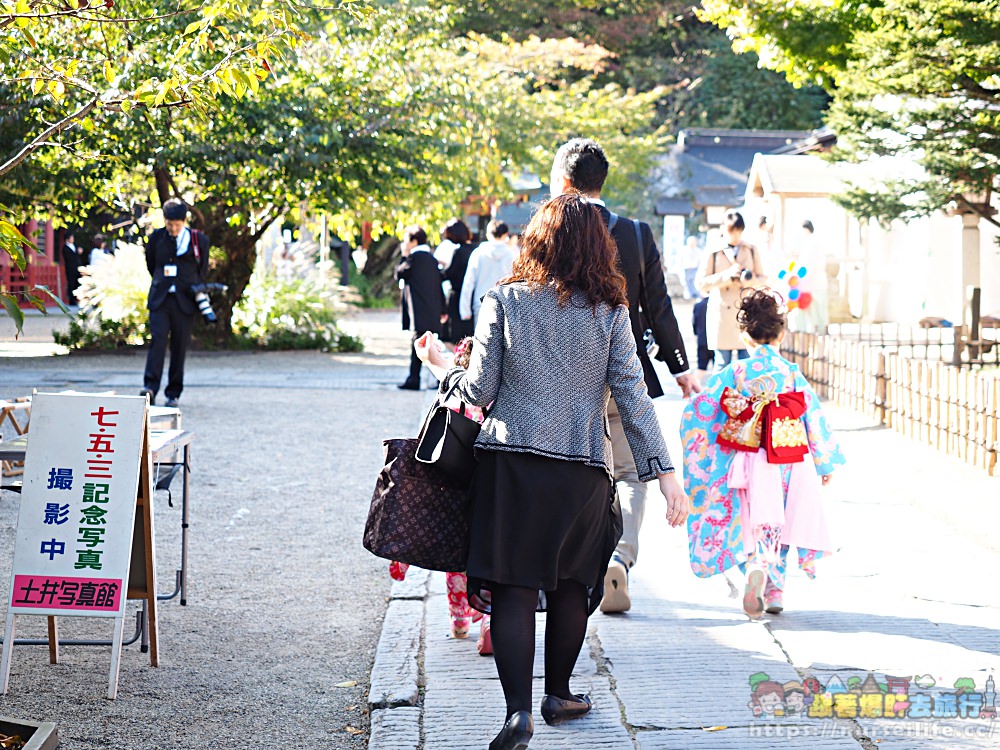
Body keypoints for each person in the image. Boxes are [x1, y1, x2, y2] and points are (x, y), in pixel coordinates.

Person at [415, 194, 689, 750]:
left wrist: (443, 366)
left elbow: (478, 392)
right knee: (570, 585)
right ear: (598, 248)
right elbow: (634, 399)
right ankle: (559, 692)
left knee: (515, 590)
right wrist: (666, 476)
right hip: (583, 472)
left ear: (534, 241)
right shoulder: (610, 313)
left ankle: (518, 714)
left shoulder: (505, 301)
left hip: (511, 466)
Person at [549, 137, 699, 614]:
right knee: (631, 473)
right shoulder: (635, 233)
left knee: (565, 466)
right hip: (626, 370)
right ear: (602, 181)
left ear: (566, 181)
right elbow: (658, 305)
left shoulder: (551, 229)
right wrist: (680, 368)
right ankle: (619, 556)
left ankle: (566, 564)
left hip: (565, 373)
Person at [679, 288, 844, 618]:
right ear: (782, 332)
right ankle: (775, 589)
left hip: (746, 461)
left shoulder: (734, 373)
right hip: (787, 462)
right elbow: (812, 416)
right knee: (780, 523)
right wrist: (824, 460)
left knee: (749, 520)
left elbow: (704, 411)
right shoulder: (791, 374)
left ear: (744, 335)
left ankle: (754, 566)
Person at [389, 336, 493, 655]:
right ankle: (489, 620)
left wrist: (434, 360)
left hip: (452, 489)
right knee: (489, 558)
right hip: (488, 488)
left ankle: (460, 619)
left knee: (455, 562)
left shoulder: (451, 398)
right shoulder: (495, 402)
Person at [140, 199, 210, 408]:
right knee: (158, 342)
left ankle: (173, 393)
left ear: (184, 221)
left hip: (185, 301)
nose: (173, 228)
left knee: (180, 347)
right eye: (170, 224)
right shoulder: (156, 238)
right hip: (160, 299)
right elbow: (152, 265)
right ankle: (150, 387)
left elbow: (202, 270)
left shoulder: (199, 241)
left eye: (177, 225)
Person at [695, 211, 767, 369]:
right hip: (722, 314)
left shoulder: (751, 249)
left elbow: (763, 280)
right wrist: (726, 276)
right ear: (723, 229)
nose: (735, 235)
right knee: (722, 364)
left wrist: (749, 279)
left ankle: (744, 395)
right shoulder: (713, 251)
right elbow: (701, 283)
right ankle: (720, 395)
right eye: (731, 231)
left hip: (746, 314)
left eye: (738, 231)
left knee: (747, 366)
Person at [394, 225, 445, 390]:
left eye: (406, 240)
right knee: (431, 344)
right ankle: (439, 379)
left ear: (414, 241)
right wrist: (443, 309)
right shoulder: (431, 259)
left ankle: (414, 379)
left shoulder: (413, 259)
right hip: (432, 308)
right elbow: (439, 285)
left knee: (418, 343)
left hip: (418, 310)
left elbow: (399, 274)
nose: (404, 243)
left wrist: (403, 255)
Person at [459, 220, 517, 328]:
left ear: (488, 234)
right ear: (505, 235)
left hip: (481, 302)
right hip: (506, 304)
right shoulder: (512, 254)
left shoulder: (478, 253)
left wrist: (464, 309)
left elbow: (469, 281)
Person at [786, 220, 829, 334]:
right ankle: (821, 331)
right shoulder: (815, 242)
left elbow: (808, 265)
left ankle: (817, 332)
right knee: (819, 311)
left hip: (811, 284)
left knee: (814, 312)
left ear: (805, 229)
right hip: (817, 283)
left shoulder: (810, 243)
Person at [439, 219, 476, 343]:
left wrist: (437, 267)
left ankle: (458, 361)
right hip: (473, 296)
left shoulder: (459, 252)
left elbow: (448, 274)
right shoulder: (475, 249)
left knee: (454, 337)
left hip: (457, 298)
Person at [692, 295, 713, 374]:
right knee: (718, 368)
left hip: (702, 340)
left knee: (701, 368)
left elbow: (694, 323)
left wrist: (696, 333)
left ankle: (694, 386)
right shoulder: (717, 304)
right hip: (715, 341)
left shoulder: (698, 305)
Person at [60, 231, 82, 304]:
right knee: (71, 283)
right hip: (70, 268)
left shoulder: (74, 246)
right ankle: (71, 300)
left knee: (76, 282)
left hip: (76, 267)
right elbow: (69, 258)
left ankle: (76, 298)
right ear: (67, 239)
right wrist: (77, 253)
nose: (73, 239)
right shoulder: (65, 248)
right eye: (71, 238)